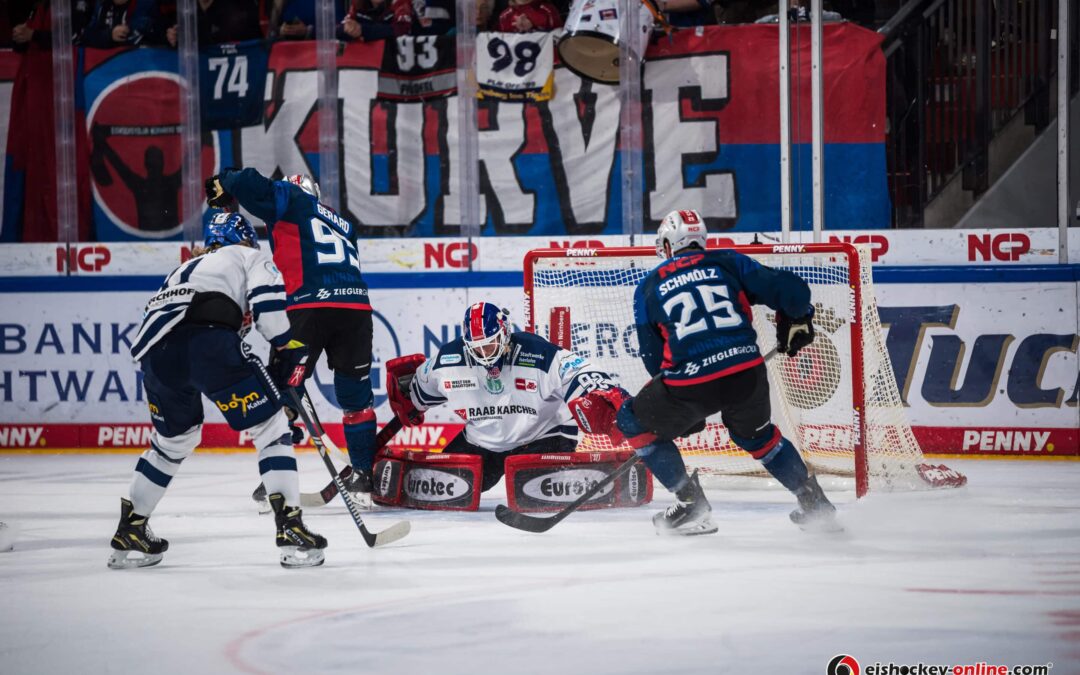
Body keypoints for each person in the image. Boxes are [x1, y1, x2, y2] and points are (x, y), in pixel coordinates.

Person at [570, 209, 836, 535]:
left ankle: (690, 504)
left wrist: (678, 411)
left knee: (631, 420)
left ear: (667, 245)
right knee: (757, 436)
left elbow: (652, 358)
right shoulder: (728, 262)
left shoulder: (650, 286)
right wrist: (799, 316)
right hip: (746, 375)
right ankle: (813, 502)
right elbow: (793, 292)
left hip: (690, 384)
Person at [109, 212, 326, 570]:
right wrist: (288, 348)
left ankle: (130, 529)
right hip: (206, 344)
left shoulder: (185, 268)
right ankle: (290, 526)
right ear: (243, 239)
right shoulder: (249, 256)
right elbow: (268, 312)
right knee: (272, 429)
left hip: (155, 357)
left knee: (172, 443)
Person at [205, 168, 378, 505]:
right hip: (356, 308)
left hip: (308, 306)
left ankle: (276, 479)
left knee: (282, 391)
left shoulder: (291, 199)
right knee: (356, 396)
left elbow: (249, 181)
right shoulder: (344, 223)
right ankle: (362, 476)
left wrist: (223, 182)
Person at [390, 302, 618, 493]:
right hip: (483, 442)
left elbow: (579, 371)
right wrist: (406, 400)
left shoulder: (537, 353)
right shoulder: (447, 360)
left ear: (505, 332)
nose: (484, 353)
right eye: (477, 348)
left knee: (529, 489)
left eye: (490, 344)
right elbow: (416, 393)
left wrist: (603, 396)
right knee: (444, 486)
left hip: (542, 436)